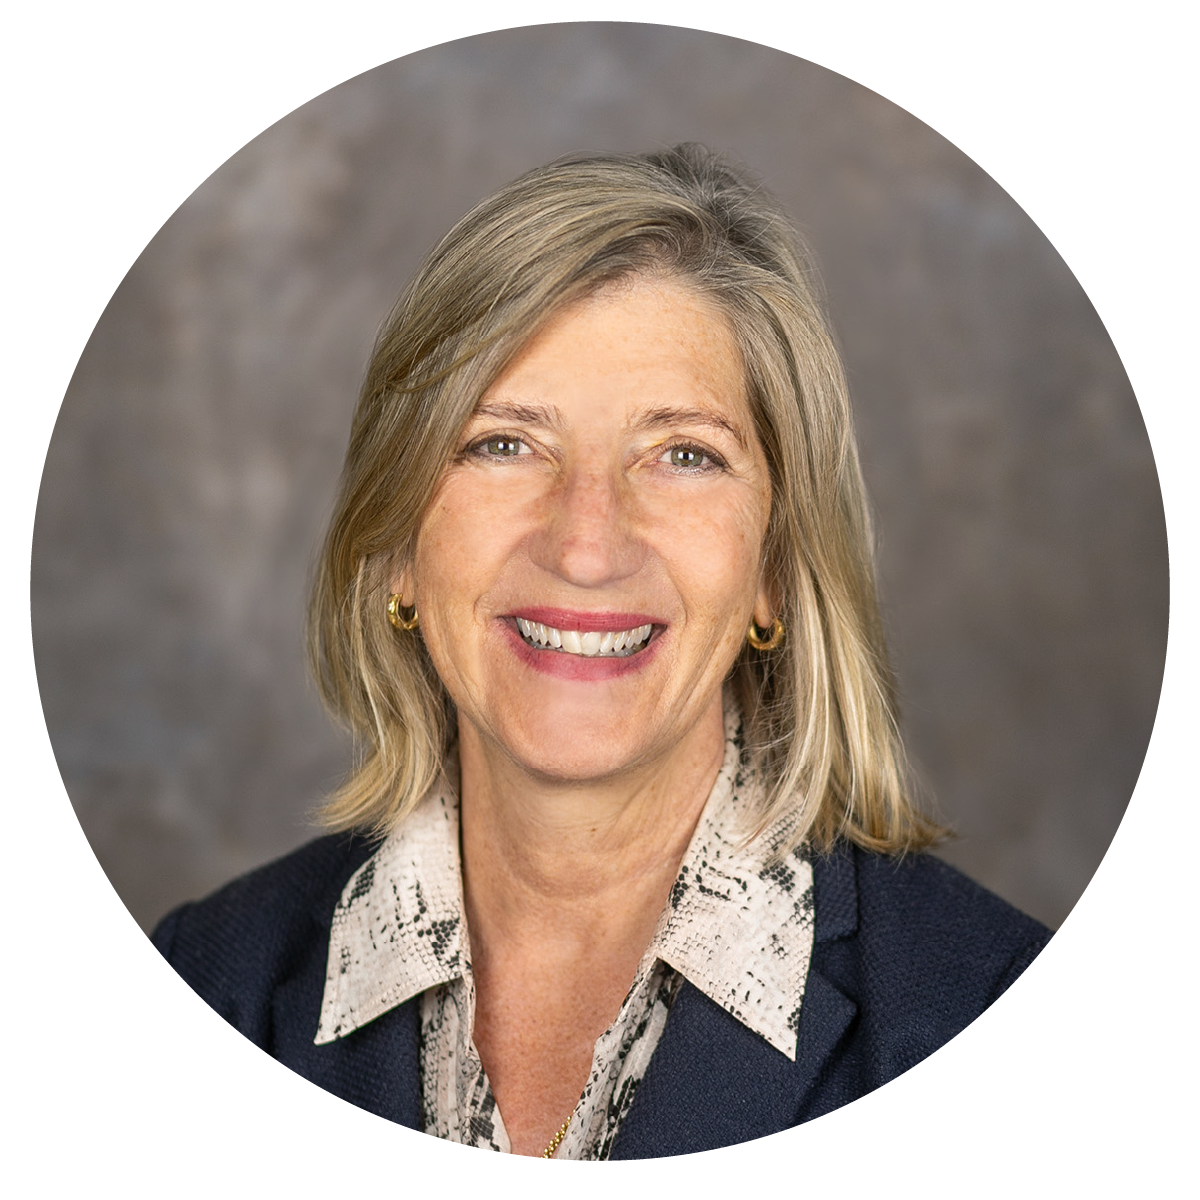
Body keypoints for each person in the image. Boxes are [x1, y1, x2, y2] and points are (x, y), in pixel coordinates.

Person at [151, 144, 1055, 1186]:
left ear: (774, 570)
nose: (586, 543)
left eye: (683, 454)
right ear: (396, 542)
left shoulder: (1015, 1033)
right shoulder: (200, 986)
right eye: (504, 444)